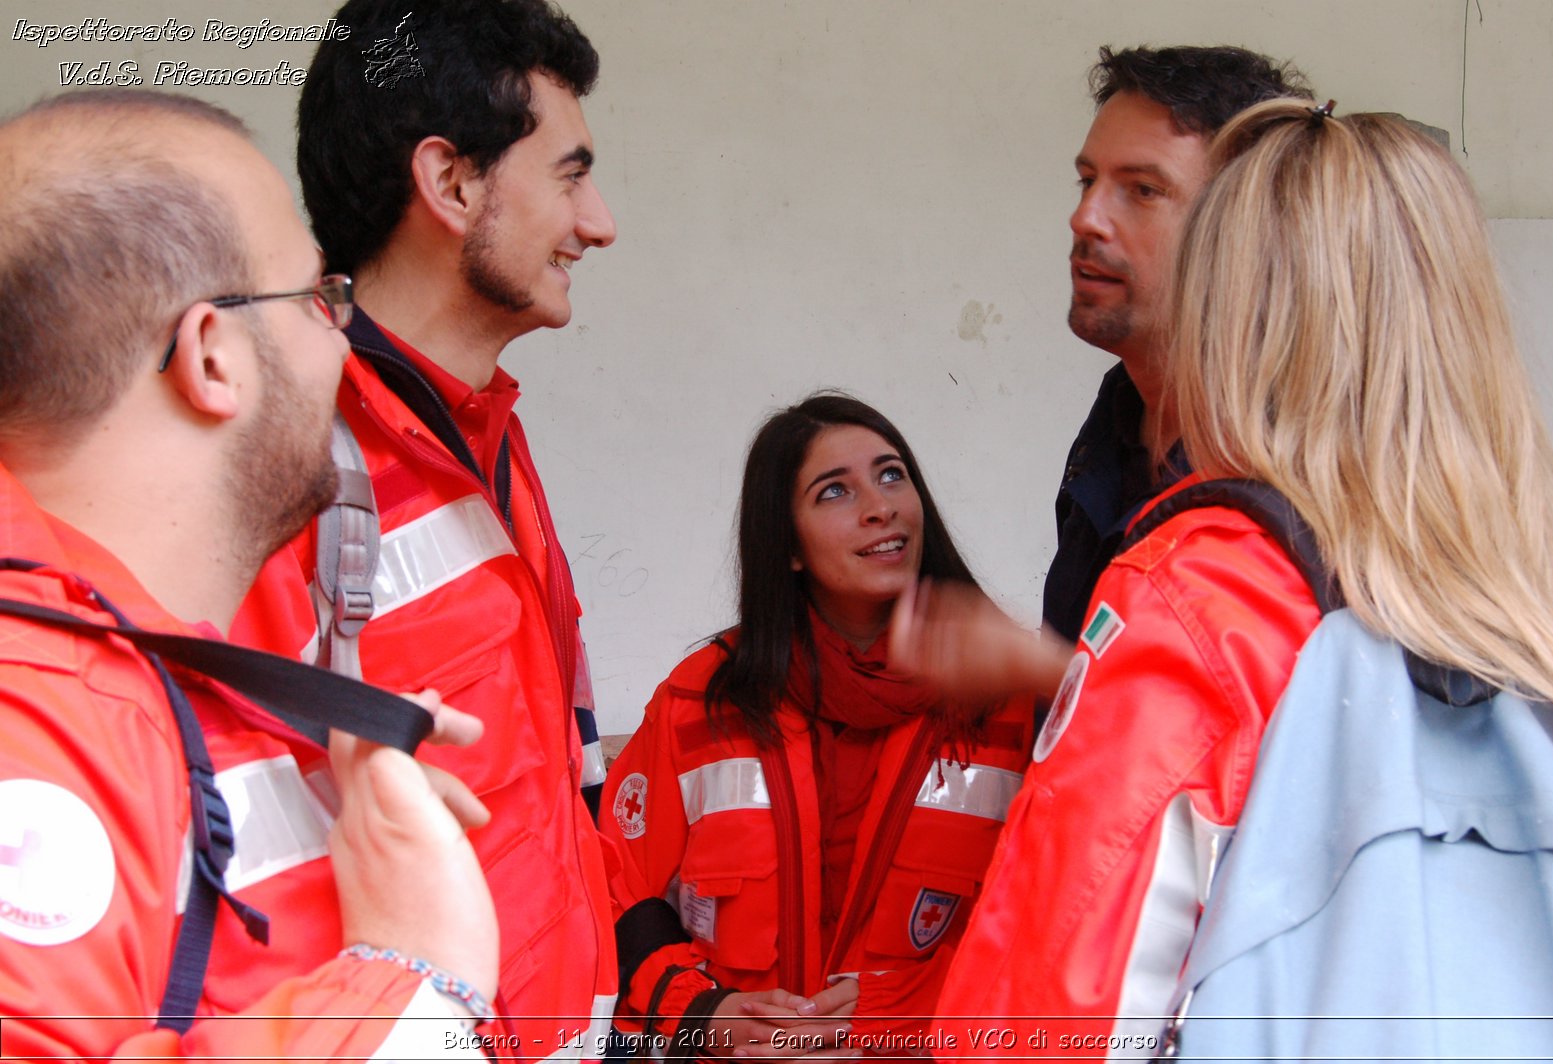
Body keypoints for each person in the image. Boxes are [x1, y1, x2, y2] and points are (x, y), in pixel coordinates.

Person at [895, 100, 1553, 1056]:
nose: (1088, 218)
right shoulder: (1541, 599)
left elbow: (1047, 1019)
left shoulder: (1198, 588)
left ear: (1241, 306)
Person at [0, 89, 500, 1059]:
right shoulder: (36, 712)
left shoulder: (120, 680)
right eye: (319, 298)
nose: (340, 340)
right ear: (213, 357)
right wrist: (409, 978)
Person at [229, 0, 621, 1050]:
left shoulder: (485, 426)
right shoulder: (273, 456)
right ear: (451, 182)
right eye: (571, 175)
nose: (599, 223)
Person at [602, 393, 1033, 1059]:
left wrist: (901, 1013)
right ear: (788, 546)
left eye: (892, 475)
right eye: (835, 491)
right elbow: (611, 887)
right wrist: (704, 1013)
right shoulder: (699, 700)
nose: (880, 505)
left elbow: (1056, 912)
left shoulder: (1008, 700)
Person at [1041, 45, 1312, 645]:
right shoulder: (1116, 421)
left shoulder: (1304, 468)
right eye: (1087, 181)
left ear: (1244, 226)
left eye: (1142, 190)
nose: (1085, 217)